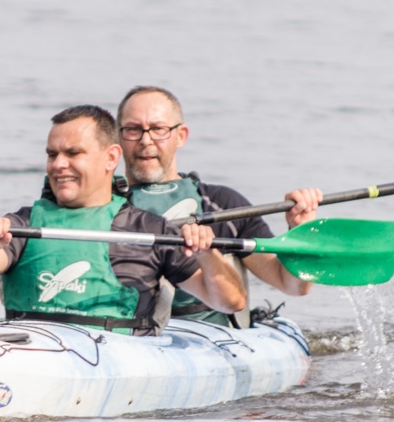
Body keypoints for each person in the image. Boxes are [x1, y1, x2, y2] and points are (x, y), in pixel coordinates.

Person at [0, 105, 246, 334]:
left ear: (111, 158)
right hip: (33, 349)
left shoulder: (148, 230)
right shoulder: (24, 225)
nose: (58, 165)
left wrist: (208, 255)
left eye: (73, 153)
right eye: (52, 154)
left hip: (115, 361)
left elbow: (228, 302)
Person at [116, 85, 322, 326]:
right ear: (117, 138)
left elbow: (292, 285)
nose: (145, 140)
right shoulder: (101, 206)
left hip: (212, 338)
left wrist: (302, 231)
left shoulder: (222, 205)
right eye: (133, 130)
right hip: (130, 338)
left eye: (159, 129)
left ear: (181, 136)